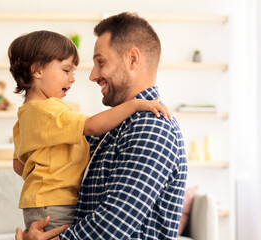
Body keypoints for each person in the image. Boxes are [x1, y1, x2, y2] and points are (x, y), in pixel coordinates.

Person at [16, 12, 187, 240]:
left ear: (133, 59)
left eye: (101, 62)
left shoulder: (151, 124)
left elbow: (111, 225)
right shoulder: (114, 127)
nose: (92, 76)